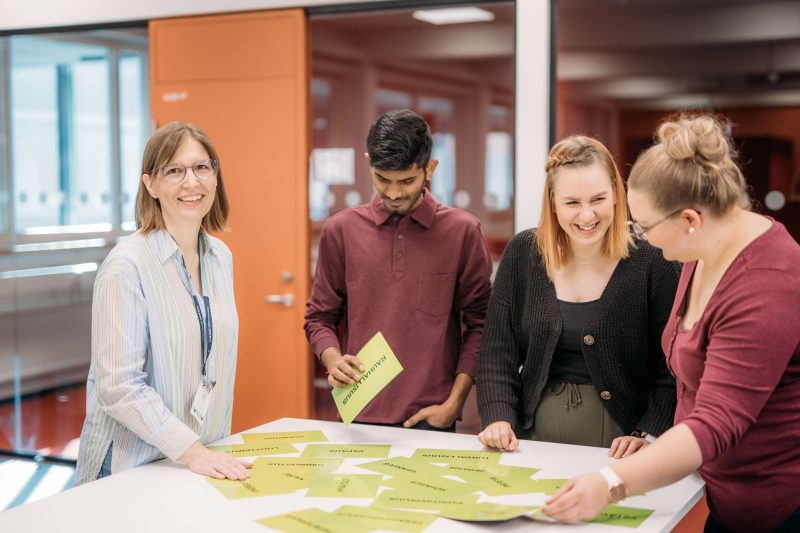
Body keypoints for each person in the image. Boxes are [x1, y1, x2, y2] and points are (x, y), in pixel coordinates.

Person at [543, 115, 800, 533]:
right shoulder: (699, 251)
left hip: (774, 507)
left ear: (689, 219)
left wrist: (612, 483)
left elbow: (716, 422)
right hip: (715, 493)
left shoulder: (768, 284)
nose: (643, 239)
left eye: (645, 228)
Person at [476, 135, 678, 456]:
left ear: (615, 192)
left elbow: (672, 366)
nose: (587, 216)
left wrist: (649, 432)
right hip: (530, 443)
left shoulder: (654, 259)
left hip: (624, 448)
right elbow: (497, 354)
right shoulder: (523, 253)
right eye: (572, 203)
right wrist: (498, 417)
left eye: (598, 199)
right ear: (553, 203)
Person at [76, 122, 248, 484]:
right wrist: (190, 450)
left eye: (202, 167)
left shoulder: (219, 256)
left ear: (215, 177)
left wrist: (202, 452)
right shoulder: (126, 266)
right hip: (130, 467)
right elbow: (119, 385)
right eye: (174, 170)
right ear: (150, 184)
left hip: (198, 460)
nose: (191, 182)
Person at [304, 109, 493, 431]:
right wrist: (333, 360)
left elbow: (482, 325)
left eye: (406, 180)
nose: (393, 193)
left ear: (429, 168)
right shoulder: (341, 230)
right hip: (357, 412)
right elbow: (319, 317)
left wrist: (454, 404)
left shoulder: (462, 232)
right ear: (369, 163)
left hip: (431, 416)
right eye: (383, 179)